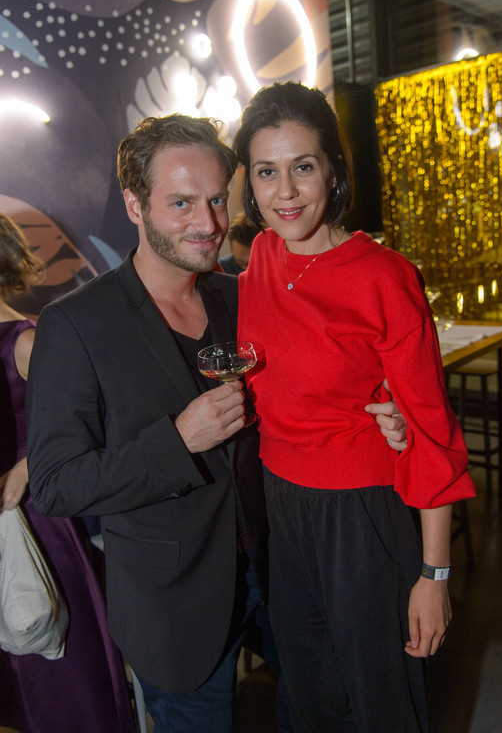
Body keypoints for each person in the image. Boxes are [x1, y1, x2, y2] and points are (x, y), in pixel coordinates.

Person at [26, 113, 406, 733]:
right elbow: (55, 484)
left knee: (318, 713)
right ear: (135, 204)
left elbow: (314, 390)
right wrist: (177, 441)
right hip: (175, 604)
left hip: (280, 571)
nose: (207, 223)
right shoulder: (75, 324)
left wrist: (383, 415)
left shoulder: (240, 295)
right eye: (181, 203)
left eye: (216, 200)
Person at [232, 81, 477, 733]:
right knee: (307, 696)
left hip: (360, 516)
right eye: (266, 171)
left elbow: (428, 427)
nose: (285, 191)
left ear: (333, 171)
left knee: (380, 702)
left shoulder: (383, 275)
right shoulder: (261, 256)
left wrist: (433, 573)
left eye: (303, 167)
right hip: (281, 508)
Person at [0, 213, 136, 733]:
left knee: (60, 677)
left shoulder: (27, 340)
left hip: (36, 519)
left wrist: (29, 464)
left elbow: (102, 420)